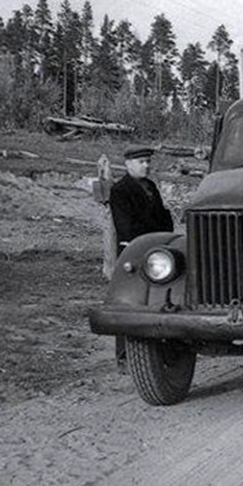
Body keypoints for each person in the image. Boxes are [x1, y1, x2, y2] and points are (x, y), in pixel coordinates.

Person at [108, 145, 174, 371]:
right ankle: (124, 356)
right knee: (128, 301)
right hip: (133, 254)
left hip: (157, 253)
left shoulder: (151, 187)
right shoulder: (120, 191)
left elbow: (164, 218)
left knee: (159, 299)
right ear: (128, 164)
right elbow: (126, 227)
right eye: (141, 162)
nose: (146, 165)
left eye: (148, 162)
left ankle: (160, 352)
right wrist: (152, 239)